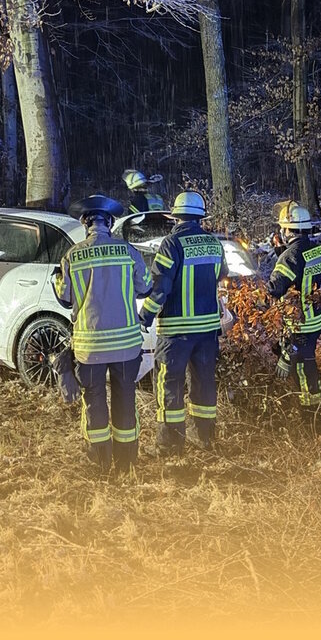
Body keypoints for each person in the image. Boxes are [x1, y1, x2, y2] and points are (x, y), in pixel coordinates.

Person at [53, 195, 153, 474]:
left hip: (90, 347)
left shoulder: (72, 255)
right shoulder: (127, 251)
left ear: (85, 224)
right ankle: (126, 462)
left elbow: (64, 297)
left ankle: (99, 462)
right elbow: (145, 286)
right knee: (125, 399)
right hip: (126, 347)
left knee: (94, 400)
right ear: (109, 223)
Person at [138, 190, 228, 454]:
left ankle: (169, 444)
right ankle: (205, 438)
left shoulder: (171, 243)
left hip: (177, 332)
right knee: (204, 382)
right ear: (200, 217)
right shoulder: (214, 243)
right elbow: (221, 274)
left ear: (176, 217)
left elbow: (160, 286)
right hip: (208, 330)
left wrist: (145, 316)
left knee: (169, 384)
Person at [265, 200, 321, 409]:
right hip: (314, 319)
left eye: (283, 228)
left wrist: (260, 296)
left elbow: (276, 288)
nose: (281, 232)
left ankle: (310, 412)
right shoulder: (315, 249)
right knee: (308, 360)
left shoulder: (290, 256)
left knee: (300, 368)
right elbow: (300, 269)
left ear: (288, 230)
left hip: (298, 323)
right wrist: (281, 251)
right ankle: (317, 404)